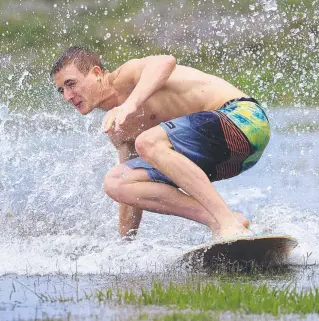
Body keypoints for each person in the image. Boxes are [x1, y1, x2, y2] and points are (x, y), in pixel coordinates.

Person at [51, 46, 270, 240]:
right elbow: (131, 197)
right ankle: (225, 220)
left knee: (147, 141)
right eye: (62, 90)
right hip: (229, 160)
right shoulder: (118, 130)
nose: (68, 96)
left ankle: (227, 224)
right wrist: (124, 247)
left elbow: (166, 61)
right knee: (117, 181)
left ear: (97, 73)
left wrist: (129, 106)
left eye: (71, 84)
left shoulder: (126, 76)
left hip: (245, 121)